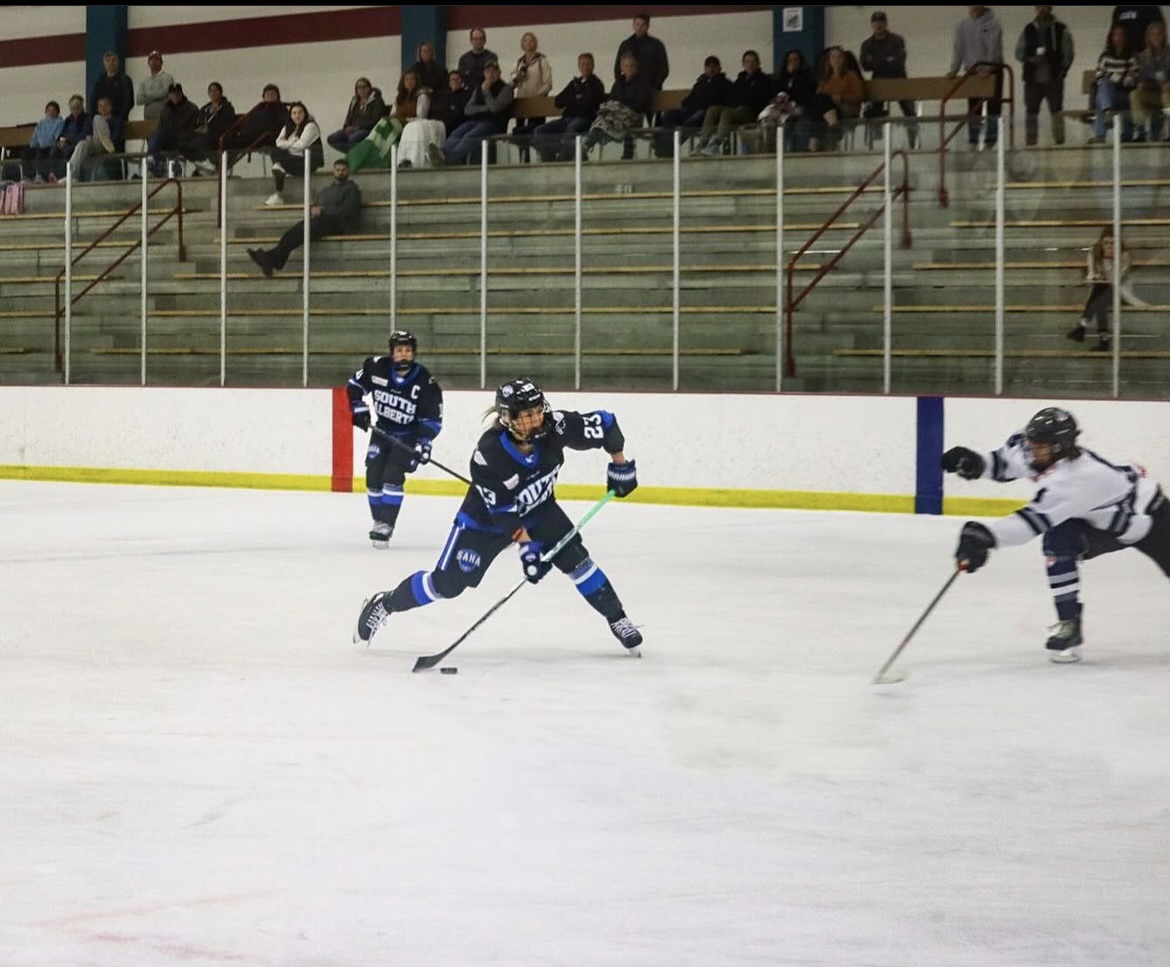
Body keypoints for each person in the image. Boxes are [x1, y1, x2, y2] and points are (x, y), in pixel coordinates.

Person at [354, 377, 643, 655]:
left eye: (537, 411)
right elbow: (504, 515)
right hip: (484, 523)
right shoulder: (489, 453)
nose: (535, 420)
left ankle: (618, 618)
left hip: (540, 511)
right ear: (507, 418)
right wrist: (528, 549)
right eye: (525, 415)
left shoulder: (557, 426)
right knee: (445, 585)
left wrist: (620, 464)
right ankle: (386, 603)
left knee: (578, 562)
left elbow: (606, 423)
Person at [944, 406, 1169, 663]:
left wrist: (986, 537)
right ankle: (1069, 623)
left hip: (1149, 518)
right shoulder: (1036, 449)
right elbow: (1006, 463)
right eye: (1031, 442)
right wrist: (977, 463)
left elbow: (1031, 522)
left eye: (1038, 446)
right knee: (1058, 538)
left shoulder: (1078, 477)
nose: (1030, 449)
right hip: (1097, 519)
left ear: (1061, 447)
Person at [346, 330, 443, 548]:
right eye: (399, 350)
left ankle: (386, 524)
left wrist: (424, 443)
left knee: (392, 475)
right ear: (392, 352)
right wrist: (358, 407)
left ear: (414, 353)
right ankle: (379, 521)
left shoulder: (425, 381)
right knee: (373, 476)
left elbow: (432, 419)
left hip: (408, 437)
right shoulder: (377, 367)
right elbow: (354, 385)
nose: (403, 354)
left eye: (408, 350)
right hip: (382, 432)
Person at [246, 158, 361, 276]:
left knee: (299, 232)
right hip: (320, 221)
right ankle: (271, 260)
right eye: (338, 170)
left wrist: (323, 211)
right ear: (334, 171)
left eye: (343, 170)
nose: (340, 172)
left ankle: (272, 259)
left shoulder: (352, 190)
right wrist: (313, 208)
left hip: (336, 224)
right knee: (290, 234)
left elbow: (347, 210)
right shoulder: (326, 190)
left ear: (348, 171)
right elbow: (316, 205)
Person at [1066, 228, 1148, 349]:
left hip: (1120, 290)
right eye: (1106, 243)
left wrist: (1110, 261)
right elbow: (1091, 274)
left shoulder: (1124, 256)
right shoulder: (1094, 253)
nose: (1109, 246)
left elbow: (1117, 279)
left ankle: (1082, 327)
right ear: (1101, 243)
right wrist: (1095, 277)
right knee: (1100, 301)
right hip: (1101, 291)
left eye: (1112, 243)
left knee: (1100, 294)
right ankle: (1102, 340)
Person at [694, 49, 775, 157]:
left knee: (727, 113)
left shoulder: (764, 80)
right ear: (743, 64)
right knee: (713, 109)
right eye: (747, 62)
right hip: (737, 109)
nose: (750, 65)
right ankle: (702, 142)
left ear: (758, 64)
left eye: (753, 62)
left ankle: (716, 144)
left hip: (752, 111)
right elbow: (733, 96)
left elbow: (761, 98)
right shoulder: (740, 79)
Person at [1015, 6, 1075, 147]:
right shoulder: (1028, 29)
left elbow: (1068, 51)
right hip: (1032, 79)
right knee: (1031, 113)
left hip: (1054, 78)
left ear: (1050, 8)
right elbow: (1018, 53)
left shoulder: (1061, 29)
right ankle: (1031, 144)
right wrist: (1030, 59)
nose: (1041, 9)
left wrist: (1063, 69)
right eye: (1039, 6)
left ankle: (1059, 143)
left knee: (1056, 112)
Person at [654, 54, 734, 159]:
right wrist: (684, 105)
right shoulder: (700, 83)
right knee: (669, 114)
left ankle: (673, 144)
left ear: (719, 68)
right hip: (692, 109)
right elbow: (690, 98)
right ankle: (664, 142)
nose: (711, 69)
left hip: (707, 113)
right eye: (708, 66)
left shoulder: (726, 84)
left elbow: (724, 103)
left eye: (714, 66)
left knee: (693, 119)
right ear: (705, 69)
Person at [947, 6, 1005, 149]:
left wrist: (988, 68)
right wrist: (954, 70)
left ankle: (990, 142)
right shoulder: (962, 25)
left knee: (993, 107)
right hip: (973, 72)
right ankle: (973, 141)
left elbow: (994, 48)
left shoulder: (993, 24)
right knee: (973, 108)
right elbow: (958, 49)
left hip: (993, 71)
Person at [613, 13, 669, 158]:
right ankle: (628, 151)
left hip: (650, 90)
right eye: (637, 24)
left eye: (643, 25)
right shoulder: (626, 45)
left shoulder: (656, 45)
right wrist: (622, 85)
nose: (639, 27)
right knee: (627, 117)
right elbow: (617, 68)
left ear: (648, 26)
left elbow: (664, 68)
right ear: (633, 25)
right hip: (630, 91)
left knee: (655, 121)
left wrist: (654, 86)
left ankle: (660, 150)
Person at [860, 12, 919, 149]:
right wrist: (886, 60)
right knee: (874, 112)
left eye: (881, 22)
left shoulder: (897, 40)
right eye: (876, 22)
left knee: (909, 112)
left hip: (899, 79)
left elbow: (898, 62)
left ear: (886, 23)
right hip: (878, 81)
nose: (878, 25)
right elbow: (865, 65)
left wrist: (876, 61)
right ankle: (875, 145)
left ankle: (914, 143)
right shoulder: (867, 44)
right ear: (872, 24)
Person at [534, 52, 606, 162]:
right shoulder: (574, 83)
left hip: (585, 119)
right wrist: (576, 98)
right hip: (567, 118)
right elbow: (558, 101)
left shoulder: (597, 84)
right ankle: (549, 158)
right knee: (540, 131)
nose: (586, 67)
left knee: (572, 127)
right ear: (579, 66)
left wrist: (573, 99)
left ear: (593, 66)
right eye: (583, 64)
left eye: (588, 64)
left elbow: (588, 104)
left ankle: (563, 158)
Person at [440, 60, 513, 165]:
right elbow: (468, 109)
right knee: (456, 134)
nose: (491, 74)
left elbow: (495, 108)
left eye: (494, 71)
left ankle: (450, 159)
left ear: (499, 72)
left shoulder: (505, 89)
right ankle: (444, 155)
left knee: (470, 136)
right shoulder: (478, 89)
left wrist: (486, 92)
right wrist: (485, 108)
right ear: (484, 73)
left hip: (493, 123)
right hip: (475, 121)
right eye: (488, 71)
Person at [582, 54, 654, 158]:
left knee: (605, 122)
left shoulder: (642, 84)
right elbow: (612, 99)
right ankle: (587, 145)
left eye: (631, 65)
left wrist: (621, 104)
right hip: (615, 115)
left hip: (633, 116)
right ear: (622, 68)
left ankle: (587, 144)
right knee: (601, 119)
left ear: (636, 67)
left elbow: (640, 104)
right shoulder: (618, 83)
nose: (628, 68)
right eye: (626, 66)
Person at [266, 101, 324, 205]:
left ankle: (278, 194)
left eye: (300, 112)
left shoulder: (311, 126)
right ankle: (278, 193)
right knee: (275, 151)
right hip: (292, 160)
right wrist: (293, 142)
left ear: (305, 114)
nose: (297, 116)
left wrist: (287, 145)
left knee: (278, 165)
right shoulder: (288, 127)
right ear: (290, 115)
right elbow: (278, 142)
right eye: (294, 113)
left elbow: (301, 145)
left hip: (308, 162)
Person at [810, 46, 865, 152]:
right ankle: (832, 123)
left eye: (839, 57)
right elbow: (818, 97)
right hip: (829, 110)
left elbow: (860, 95)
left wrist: (841, 98)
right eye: (833, 57)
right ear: (829, 61)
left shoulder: (851, 75)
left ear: (844, 60)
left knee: (821, 101)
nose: (836, 60)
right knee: (819, 100)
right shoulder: (826, 79)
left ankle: (814, 142)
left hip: (847, 108)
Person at [510, 31, 554, 159]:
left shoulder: (542, 61)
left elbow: (548, 84)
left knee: (534, 131)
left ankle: (538, 158)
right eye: (525, 41)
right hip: (522, 102)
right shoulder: (518, 63)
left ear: (535, 43)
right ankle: (523, 158)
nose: (528, 43)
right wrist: (518, 76)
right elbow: (511, 83)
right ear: (522, 44)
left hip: (537, 102)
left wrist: (537, 96)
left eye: (531, 40)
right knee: (520, 133)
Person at [1091, 26, 1137, 142]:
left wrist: (1110, 75)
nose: (1118, 37)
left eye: (1121, 34)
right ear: (1111, 37)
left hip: (1124, 95)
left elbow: (1130, 82)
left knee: (1102, 96)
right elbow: (1099, 77)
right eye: (1115, 34)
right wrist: (1120, 77)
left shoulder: (1131, 57)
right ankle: (1108, 113)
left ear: (1125, 37)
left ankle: (1101, 132)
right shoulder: (1105, 56)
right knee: (1104, 88)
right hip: (1108, 93)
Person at [145, 83, 201, 177]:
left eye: (177, 93)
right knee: (158, 133)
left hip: (184, 139)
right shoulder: (165, 109)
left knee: (160, 134)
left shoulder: (191, 108)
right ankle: (155, 163)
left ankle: (153, 161)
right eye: (173, 94)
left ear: (181, 93)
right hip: (169, 139)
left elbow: (194, 127)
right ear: (169, 95)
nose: (175, 96)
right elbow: (161, 125)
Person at [1129, 20, 1170, 140]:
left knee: (1166, 95)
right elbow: (1142, 78)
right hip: (1154, 93)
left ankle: (1168, 129)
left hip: (1168, 93)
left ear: (1164, 36)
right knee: (1134, 95)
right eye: (1152, 34)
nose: (1156, 37)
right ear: (1148, 37)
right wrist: (1141, 84)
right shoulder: (1144, 56)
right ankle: (1140, 129)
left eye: (1159, 34)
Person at [326, 77, 388, 153]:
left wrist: (358, 127)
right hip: (353, 129)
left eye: (364, 87)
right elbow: (349, 116)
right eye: (359, 87)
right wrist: (346, 126)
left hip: (368, 129)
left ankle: (354, 155)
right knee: (333, 138)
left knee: (353, 139)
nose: (362, 90)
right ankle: (351, 154)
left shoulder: (377, 100)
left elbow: (376, 120)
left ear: (369, 88)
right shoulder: (355, 100)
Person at [189, 82, 237, 172]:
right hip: (205, 135)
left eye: (216, 91)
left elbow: (227, 124)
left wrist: (209, 130)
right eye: (211, 91)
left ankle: (210, 161)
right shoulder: (205, 109)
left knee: (203, 139)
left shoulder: (227, 108)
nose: (213, 93)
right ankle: (202, 162)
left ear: (221, 92)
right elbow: (199, 123)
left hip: (221, 135)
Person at [20, 100, 64, 183]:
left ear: (57, 112)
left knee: (41, 152)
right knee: (26, 152)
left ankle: (42, 175)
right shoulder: (41, 123)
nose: (51, 113)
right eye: (49, 110)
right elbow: (35, 135)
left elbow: (57, 136)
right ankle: (28, 176)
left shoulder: (60, 123)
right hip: (39, 146)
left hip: (51, 146)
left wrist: (44, 143)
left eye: (53, 111)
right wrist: (33, 144)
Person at [91, 50, 134, 123]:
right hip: (101, 120)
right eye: (108, 60)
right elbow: (93, 101)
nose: (111, 62)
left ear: (118, 62)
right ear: (104, 63)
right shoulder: (100, 81)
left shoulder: (125, 80)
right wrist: (95, 116)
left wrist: (119, 117)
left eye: (113, 60)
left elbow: (129, 101)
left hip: (119, 119)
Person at [137, 50, 174, 122]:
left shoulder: (168, 77)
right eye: (151, 60)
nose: (154, 62)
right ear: (148, 63)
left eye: (157, 60)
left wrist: (147, 94)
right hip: (148, 117)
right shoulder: (144, 80)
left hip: (164, 116)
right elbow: (139, 100)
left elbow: (164, 93)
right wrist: (159, 97)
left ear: (161, 63)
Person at [458, 27, 498, 91]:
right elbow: (461, 78)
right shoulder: (464, 59)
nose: (478, 41)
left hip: (488, 90)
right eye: (475, 39)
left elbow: (493, 76)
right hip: (469, 92)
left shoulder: (491, 57)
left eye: (481, 39)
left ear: (485, 41)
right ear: (471, 41)